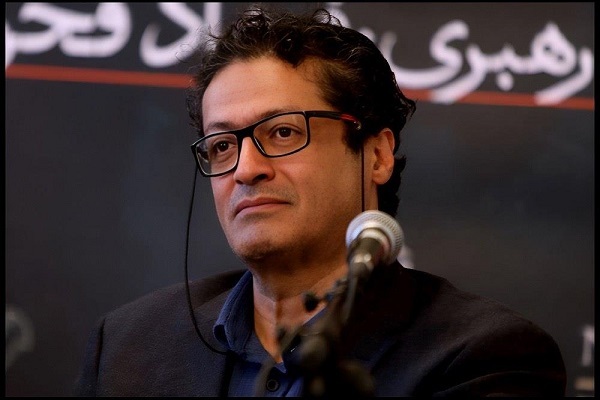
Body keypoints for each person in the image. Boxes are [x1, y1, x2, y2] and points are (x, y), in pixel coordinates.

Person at [74, 5, 566, 397]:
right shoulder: (127, 346)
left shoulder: (480, 357)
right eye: (222, 145)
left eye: (283, 132)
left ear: (376, 155)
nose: (245, 168)